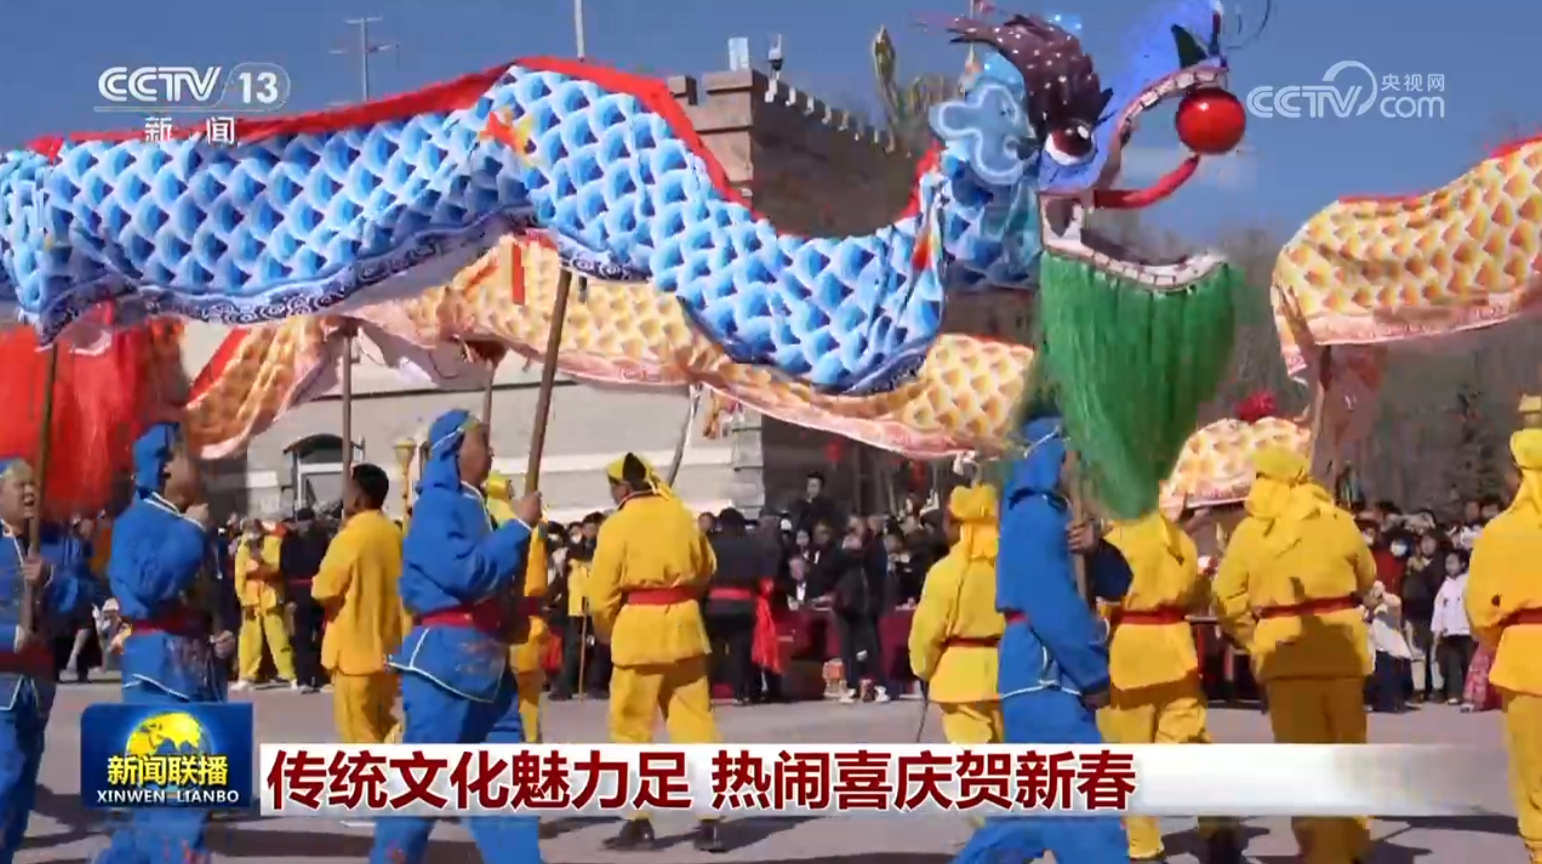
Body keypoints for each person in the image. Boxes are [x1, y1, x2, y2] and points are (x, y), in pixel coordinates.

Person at [954, 412, 1133, 863]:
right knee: (1085, 807)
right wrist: (1093, 671)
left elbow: (1118, 583)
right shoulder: (1034, 514)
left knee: (1027, 818)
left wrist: (1096, 549)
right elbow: (1052, 605)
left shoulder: (1064, 515)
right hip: (1045, 671)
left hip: (1045, 672)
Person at [370, 410, 544, 864]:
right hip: (445, 664)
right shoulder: (437, 505)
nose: (491, 452)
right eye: (482, 441)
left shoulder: (475, 505)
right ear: (453, 449)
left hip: (488, 665)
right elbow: (465, 572)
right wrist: (518, 529)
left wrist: (509, 613)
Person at [1211, 445, 1375, 864]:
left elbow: (1226, 598)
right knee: (1349, 753)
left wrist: (1255, 637)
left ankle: (1324, 852)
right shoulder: (1338, 520)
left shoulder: (1252, 532)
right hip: (1341, 651)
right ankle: (1352, 844)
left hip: (1285, 656)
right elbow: (1367, 575)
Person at [96, 424, 233, 864]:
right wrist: (190, 532)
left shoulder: (195, 521)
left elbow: (210, 593)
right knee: (175, 802)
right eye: (188, 454)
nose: (200, 463)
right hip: (159, 670)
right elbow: (148, 586)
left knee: (158, 812)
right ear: (164, 468)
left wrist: (222, 630)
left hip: (198, 669)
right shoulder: (137, 523)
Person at [587, 452, 723, 853]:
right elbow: (707, 567)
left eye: (613, 487)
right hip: (686, 630)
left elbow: (601, 595)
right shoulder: (681, 515)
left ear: (623, 487)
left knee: (631, 732)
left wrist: (609, 631)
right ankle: (711, 821)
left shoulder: (617, 525)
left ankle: (638, 820)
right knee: (697, 728)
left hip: (638, 632)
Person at [1098, 507, 1243, 863]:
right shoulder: (1178, 541)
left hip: (1129, 656)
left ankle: (1145, 849)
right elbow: (1196, 596)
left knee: (1129, 761)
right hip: (1177, 653)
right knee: (1190, 746)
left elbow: (1102, 606)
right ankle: (1218, 824)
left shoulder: (1114, 541)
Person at [0, 460, 95, 862]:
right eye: (19, 485)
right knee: (3, 779)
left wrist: (52, 578)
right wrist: (9, 636)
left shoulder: (55, 543)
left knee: (22, 784)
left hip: (38, 686)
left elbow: (86, 596)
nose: (29, 492)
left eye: (33, 484)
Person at [1467, 427, 1542, 863]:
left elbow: (1481, 611)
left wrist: (1503, 640)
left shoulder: (1502, 532)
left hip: (1525, 659)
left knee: (1534, 772)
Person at [311, 463, 403, 750]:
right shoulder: (395, 534)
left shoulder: (350, 536)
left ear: (359, 497)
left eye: (349, 489)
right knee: (381, 724)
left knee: (358, 737)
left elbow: (323, 590)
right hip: (389, 652)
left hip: (353, 656)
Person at [907, 485, 1004, 744]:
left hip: (960, 680)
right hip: (1009, 672)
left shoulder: (945, 571)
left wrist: (923, 668)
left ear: (957, 525)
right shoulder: (1010, 566)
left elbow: (927, 632)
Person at [485, 471, 550, 744]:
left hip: (493, 628)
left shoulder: (483, 522)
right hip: (529, 624)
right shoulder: (529, 522)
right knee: (528, 706)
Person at [704, 508, 769, 705]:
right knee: (740, 650)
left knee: (713, 650)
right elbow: (762, 576)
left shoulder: (710, 545)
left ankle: (705, 691)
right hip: (743, 603)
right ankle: (740, 692)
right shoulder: (753, 545)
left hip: (714, 604)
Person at [231, 518, 296, 691]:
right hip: (251, 598)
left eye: (254, 531)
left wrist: (260, 562)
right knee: (249, 639)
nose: (251, 536)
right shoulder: (243, 547)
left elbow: (275, 568)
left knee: (278, 636)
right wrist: (243, 598)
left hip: (270, 595)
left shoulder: (273, 543)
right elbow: (239, 575)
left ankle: (287, 673)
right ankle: (247, 675)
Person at [280, 507, 331, 693]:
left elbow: (328, 566)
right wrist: (289, 598)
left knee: (321, 637)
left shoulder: (321, 539)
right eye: (302, 521)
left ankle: (321, 677)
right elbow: (284, 572)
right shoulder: (289, 542)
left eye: (307, 521)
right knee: (301, 638)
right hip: (298, 593)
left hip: (318, 591)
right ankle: (304, 678)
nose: (304, 525)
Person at [1402, 532, 1443, 702]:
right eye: (1423, 541)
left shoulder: (1440, 562)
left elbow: (1437, 584)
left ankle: (1438, 688)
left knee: (1435, 653)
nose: (1426, 545)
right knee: (1416, 653)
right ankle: (1418, 688)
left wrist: (1422, 570)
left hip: (1434, 613)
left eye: (1430, 541)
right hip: (1413, 613)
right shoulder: (1410, 563)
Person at [1432, 549, 1475, 707]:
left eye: (1452, 562)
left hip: (1468, 629)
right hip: (1450, 631)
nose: (1449, 566)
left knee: (1470, 662)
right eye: (1447, 563)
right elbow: (1439, 608)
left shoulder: (1470, 582)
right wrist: (1437, 628)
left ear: (1463, 564)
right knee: (1453, 664)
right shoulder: (1446, 585)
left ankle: (1472, 694)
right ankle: (1455, 693)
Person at [1363, 581, 1410, 714]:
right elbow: (1363, 617)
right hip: (1377, 648)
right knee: (1379, 678)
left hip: (1391, 648)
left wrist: (1382, 596)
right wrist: (1370, 607)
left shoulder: (1390, 606)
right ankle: (1380, 703)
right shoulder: (1370, 609)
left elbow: (1396, 603)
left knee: (1392, 679)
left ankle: (1395, 704)